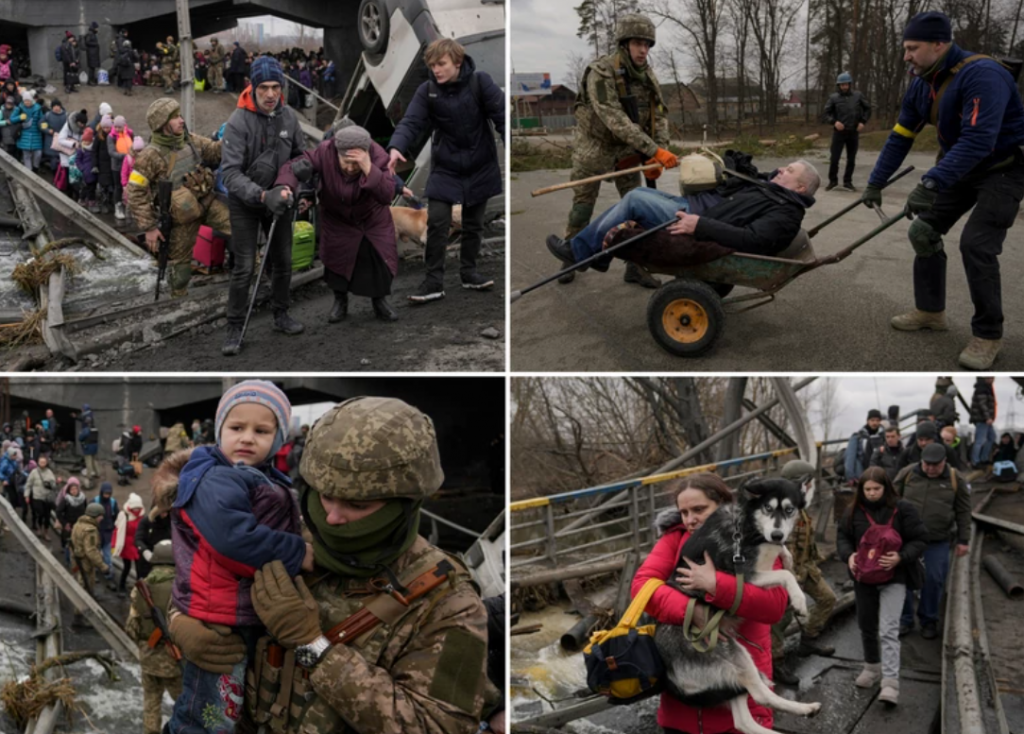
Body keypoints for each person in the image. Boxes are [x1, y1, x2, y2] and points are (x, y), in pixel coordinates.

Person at [167, 396, 499, 733]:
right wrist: (179, 619)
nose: (332, 517)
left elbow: (438, 726)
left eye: (357, 505)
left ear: (406, 504)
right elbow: (202, 565)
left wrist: (314, 647)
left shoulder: (448, 601)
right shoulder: (291, 535)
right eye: (324, 495)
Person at [864, 12, 1024, 370]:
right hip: (961, 167)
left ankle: (988, 335)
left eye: (912, 48)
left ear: (939, 43)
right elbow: (900, 137)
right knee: (923, 231)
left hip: (1003, 170)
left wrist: (932, 181)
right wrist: (876, 181)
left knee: (976, 245)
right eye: (905, 48)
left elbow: (979, 140)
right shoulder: (922, 83)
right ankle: (931, 312)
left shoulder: (983, 75)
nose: (906, 56)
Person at [166, 380, 312, 733]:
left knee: (230, 705)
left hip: (239, 611)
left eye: (261, 430)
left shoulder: (261, 477)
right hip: (219, 618)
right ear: (219, 431)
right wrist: (300, 553)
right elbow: (233, 540)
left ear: (278, 439)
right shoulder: (216, 477)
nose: (247, 438)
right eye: (236, 428)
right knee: (211, 715)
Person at [631, 473, 788, 732]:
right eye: (684, 512)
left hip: (741, 686)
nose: (690, 519)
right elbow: (642, 586)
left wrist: (716, 586)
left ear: (724, 506)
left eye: (699, 509)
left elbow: (774, 606)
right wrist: (692, 611)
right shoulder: (673, 538)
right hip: (683, 702)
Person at [552, 15, 676, 288]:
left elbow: (659, 116)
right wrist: (652, 148)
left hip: (628, 151)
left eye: (647, 44)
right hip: (594, 148)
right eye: (637, 43)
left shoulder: (648, 77)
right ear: (624, 44)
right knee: (582, 206)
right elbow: (614, 118)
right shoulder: (601, 72)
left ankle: (636, 265)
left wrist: (660, 152)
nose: (643, 50)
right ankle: (571, 255)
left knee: (637, 207)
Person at [387, 37, 505, 303]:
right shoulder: (428, 90)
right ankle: (433, 282)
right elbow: (412, 121)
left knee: (473, 225)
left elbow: (501, 117)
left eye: (441, 64)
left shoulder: (480, 82)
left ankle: (469, 273)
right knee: (437, 220)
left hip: (480, 165)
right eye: (432, 65)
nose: (436, 69)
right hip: (446, 167)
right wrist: (396, 147)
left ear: (458, 62)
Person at [547, 158, 820, 269]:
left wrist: (699, 225)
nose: (781, 170)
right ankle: (595, 255)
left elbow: (754, 240)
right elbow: (741, 177)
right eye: (785, 167)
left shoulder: (786, 213)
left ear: (801, 187)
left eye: (789, 171)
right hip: (695, 205)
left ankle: (579, 254)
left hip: (694, 216)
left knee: (634, 199)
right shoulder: (772, 188)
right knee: (635, 198)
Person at [220, 56, 306, 355]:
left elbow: (301, 155)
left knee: (283, 261)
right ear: (253, 87)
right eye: (264, 88)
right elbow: (229, 174)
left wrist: (297, 185)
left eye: (276, 87)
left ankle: (281, 314)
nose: (271, 94)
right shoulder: (238, 122)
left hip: (280, 199)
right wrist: (260, 195)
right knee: (243, 266)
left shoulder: (289, 117)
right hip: (246, 202)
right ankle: (234, 326)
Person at [276, 124, 400, 324]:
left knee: (378, 260)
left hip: (371, 219)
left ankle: (379, 301)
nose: (350, 168)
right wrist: (287, 183)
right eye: (346, 162)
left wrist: (369, 167)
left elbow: (387, 194)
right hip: (337, 217)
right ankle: (340, 301)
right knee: (336, 260)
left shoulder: (377, 155)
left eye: (355, 164)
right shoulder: (325, 151)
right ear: (337, 153)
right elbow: (295, 165)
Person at [837, 466, 927, 706]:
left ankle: (890, 683)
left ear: (886, 487)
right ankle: (871, 667)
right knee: (866, 625)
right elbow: (843, 537)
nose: (872, 493)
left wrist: (901, 557)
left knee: (888, 629)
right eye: (867, 489)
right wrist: (848, 556)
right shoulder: (852, 511)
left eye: (877, 488)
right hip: (863, 577)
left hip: (893, 577)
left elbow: (920, 539)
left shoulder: (903, 509)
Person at [127, 98, 230, 298]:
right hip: (181, 219)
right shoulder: (149, 156)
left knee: (242, 229)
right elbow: (135, 192)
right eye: (175, 118)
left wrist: (232, 138)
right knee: (180, 269)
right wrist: (149, 227)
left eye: (180, 115)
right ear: (163, 124)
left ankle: (256, 275)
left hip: (207, 203)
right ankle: (178, 301)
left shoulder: (189, 140)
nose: (181, 120)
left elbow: (214, 151)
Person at [892, 442, 970, 639]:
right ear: (921, 461)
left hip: (937, 539)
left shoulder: (955, 479)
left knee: (934, 580)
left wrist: (963, 539)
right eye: (927, 464)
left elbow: (963, 511)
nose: (931, 468)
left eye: (936, 465)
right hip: (906, 539)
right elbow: (891, 500)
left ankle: (929, 620)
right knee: (903, 579)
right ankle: (904, 618)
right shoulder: (908, 474)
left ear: (944, 461)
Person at [769, 461, 837, 687]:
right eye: (809, 481)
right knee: (781, 618)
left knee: (827, 599)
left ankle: (808, 639)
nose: (811, 485)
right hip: (787, 573)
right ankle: (776, 662)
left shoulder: (799, 502)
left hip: (806, 568)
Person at [125, 539, 183, 734]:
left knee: (151, 704)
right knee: (186, 706)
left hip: (148, 659)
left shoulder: (140, 589)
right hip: (175, 662)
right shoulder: (182, 590)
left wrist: (146, 644)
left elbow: (131, 628)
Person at [823, 72, 871, 191]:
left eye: (846, 84)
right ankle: (833, 181)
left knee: (851, 158)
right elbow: (825, 114)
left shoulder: (858, 96)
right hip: (839, 133)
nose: (844, 87)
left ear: (850, 84)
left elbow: (868, 109)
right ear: (838, 85)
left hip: (853, 131)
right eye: (842, 85)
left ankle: (848, 182)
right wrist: (834, 122)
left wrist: (863, 122)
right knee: (834, 158)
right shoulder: (833, 98)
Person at [70, 501, 110, 606]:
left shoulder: (78, 524)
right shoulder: (90, 530)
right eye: (101, 516)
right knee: (84, 587)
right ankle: (80, 614)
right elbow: (91, 550)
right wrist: (103, 566)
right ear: (95, 515)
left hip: (77, 560)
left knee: (82, 584)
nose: (102, 518)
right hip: (85, 563)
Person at [111, 492, 144, 596]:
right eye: (135, 508)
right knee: (127, 567)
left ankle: (140, 589)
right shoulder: (124, 515)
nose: (136, 511)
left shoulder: (142, 516)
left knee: (140, 568)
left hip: (137, 545)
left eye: (138, 508)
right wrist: (114, 545)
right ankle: (121, 586)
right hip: (126, 545)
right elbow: (117, 531)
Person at [897, 419, 962, 471]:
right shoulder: (908, 454)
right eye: (921, 440)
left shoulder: (948, 452)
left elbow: (956, 472)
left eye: (927, 439)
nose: (923, 443)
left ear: (934, 438)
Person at [845, 409, 886, 482]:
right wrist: (850, 476)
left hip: (879, 471)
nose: (875, 423)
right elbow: (850, 456)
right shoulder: (858, 436)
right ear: (868, 421)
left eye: (877, 420)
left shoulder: (884, 435)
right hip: (862, 470)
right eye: (872, 420)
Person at [24, 455, 57, 541]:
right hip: (37, 497)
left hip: (47, 497)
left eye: (44, 462)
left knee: (47, 516)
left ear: (46, 463)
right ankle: (39, 528)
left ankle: (46, 532)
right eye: (41, 462)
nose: (42, 464)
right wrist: (26, 495)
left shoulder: (49, 472)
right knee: (40, 513)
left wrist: (52, 483)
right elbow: (28, 484)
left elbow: (54, 485)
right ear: (38, 462)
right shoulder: (34, 472)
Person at [56, 477, 88, 566]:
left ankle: (78, 561)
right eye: (72, 489)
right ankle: (68, 560)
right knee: (68, 544)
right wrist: (64, 523)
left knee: (80, 543)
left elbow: (86, 510)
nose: (74, 491)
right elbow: (58, 512)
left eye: (75, 489)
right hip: (69, 526)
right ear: (69, 490)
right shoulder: (66, 500)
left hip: (80, 525)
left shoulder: (83, 498)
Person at [107, 115, 133, 219]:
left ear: (124, 126)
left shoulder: (130, 134)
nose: (117, 129)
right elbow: (111, 152)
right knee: (118, 187)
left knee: (130, 187)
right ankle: (118, 207)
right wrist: (125, 156)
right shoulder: (111, 137)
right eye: (116, 127)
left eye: (119, 127)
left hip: (129, 166)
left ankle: (130, 207)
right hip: (117, 166)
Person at [91, 482, 119, 580]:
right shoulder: (95, 501)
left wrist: (112, 526)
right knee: (95, 552)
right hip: (96, 531)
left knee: (107, 554)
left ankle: (108, 571)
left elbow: (116, 515)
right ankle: (94, 571)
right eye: (105, 493)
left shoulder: (113, 502)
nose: (107, 496)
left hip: (107, 531)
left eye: (108, 494)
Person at [969, 377, 997, 467]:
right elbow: (983, 404)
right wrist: (988, 417)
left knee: (991, 437)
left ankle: (983, 458)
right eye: (991, 378)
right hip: (982, 419)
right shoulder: (982, 389)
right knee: (979, 441)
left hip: (985, 419)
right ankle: (975, 461)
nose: (993, 379)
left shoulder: (986, 388)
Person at [15, 89, 45, 172]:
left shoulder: (38, 109)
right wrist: (19, 118)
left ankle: (35, 168)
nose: (27, 103)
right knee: (26, 155)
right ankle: (29, 171)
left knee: (38, 153)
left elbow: (42, 120)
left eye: (28, 101)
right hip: (24, 134)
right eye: (25, 101)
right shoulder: (20, 108)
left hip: (36, 134)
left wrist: (45, 127)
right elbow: (12, 119)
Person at [41, 98, 66, 172]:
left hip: (61, 140)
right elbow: (41, 124)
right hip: (50, 140)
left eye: (58, 106)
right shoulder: (48, 115)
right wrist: (48, 130)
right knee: (53, 157)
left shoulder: (65, 115)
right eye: (54, 106)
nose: (56, 108)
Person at [0, 94, 20, 159]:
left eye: (10, 103)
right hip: (5, 134)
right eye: (7, 103)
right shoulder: (2, 111)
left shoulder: (17, 110)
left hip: (15, 134)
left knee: (14, 152)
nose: (9, 105)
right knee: (6, 151)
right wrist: (5, 122)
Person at [84, 22, 100, 86]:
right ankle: (90, 81)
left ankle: (92, 80)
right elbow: (87, 42)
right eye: (96, 28)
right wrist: (96, 44)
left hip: (93, 53)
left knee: (92, 68)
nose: (97, 29)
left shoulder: (92, 34)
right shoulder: (90, 34)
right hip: (91, 54)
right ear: (93, 28)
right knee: (91, 68)